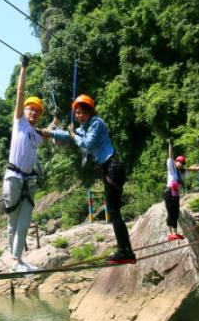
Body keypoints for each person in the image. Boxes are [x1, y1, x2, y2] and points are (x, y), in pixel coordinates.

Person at [48, 94, 136, 264]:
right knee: (113, 211)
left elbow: (86, 144)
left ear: (90, 111)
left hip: (113, 167)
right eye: (77, 113)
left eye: (82, 112)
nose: (79, 115)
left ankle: (125, 251)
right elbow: (67, 135)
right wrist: (48, 132)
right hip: (108, 169)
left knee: (113, 212)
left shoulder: (96, 123)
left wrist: (74, 135)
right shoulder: (85, 127)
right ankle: (126, 250)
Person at [3, 55, 48, 272]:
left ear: (39, 115)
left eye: (36, 110)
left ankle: (17, 259)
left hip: (29, 181)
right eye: (30, 108)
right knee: (12, 221)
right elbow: (20, 94)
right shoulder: (19, 122)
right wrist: (23, 68)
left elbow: (49, 133)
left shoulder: (37, 134)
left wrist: (57, 121)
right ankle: (15, 261)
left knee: (23, 221)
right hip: (13, 176)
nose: (32, 111)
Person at [164, 142, 186, 241]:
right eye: (179, 162)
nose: (180, 164)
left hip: (175, 194)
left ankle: (176, 233)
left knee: (176, 213)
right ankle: (169, 233)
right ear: (176, 162)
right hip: (169, 192)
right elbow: (170, 157)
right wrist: (170, 146)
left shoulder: (179, 174)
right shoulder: (172, 169)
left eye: (182, 163)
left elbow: (188, 170)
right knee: (170, 212)